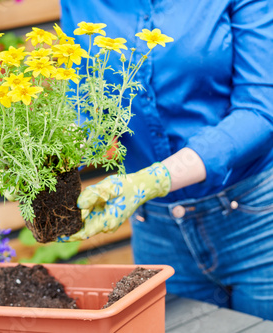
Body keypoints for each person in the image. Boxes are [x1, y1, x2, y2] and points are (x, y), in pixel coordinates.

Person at [60, 0, 273, 320]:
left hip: (255, 222)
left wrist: (157, 178)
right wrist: (44, 159)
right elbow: (86, 107)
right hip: (156, 234)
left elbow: (260, 110)